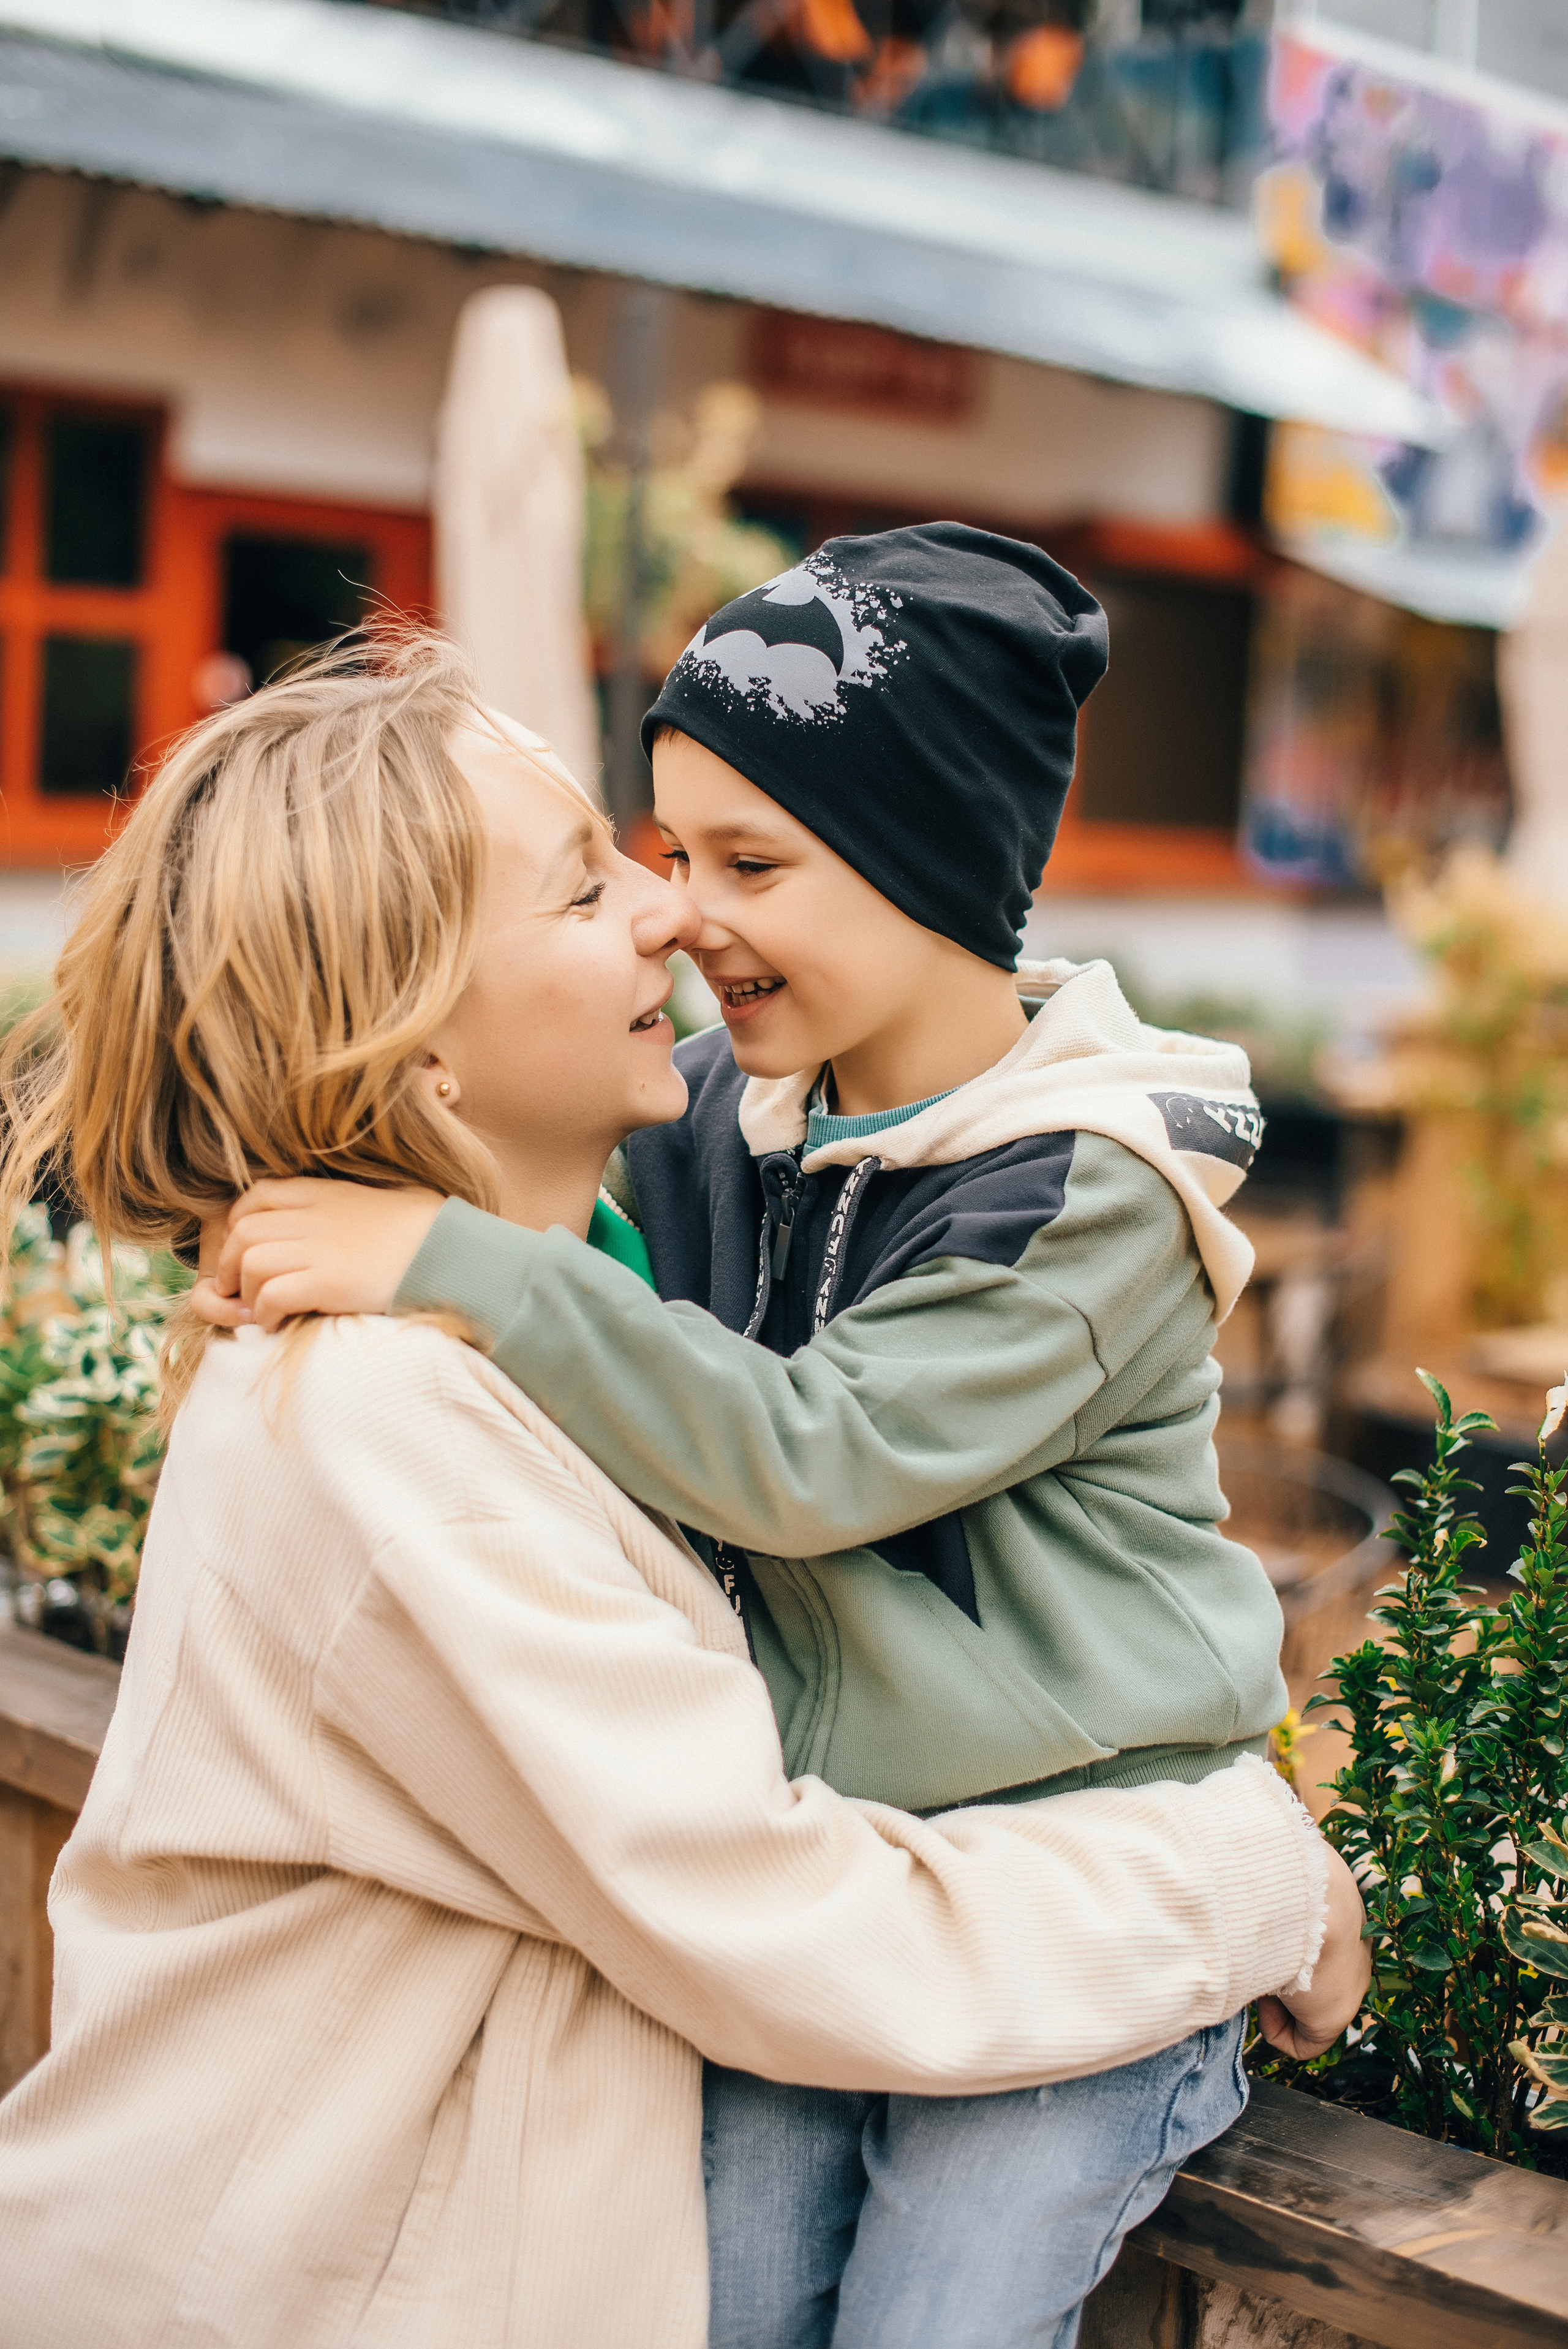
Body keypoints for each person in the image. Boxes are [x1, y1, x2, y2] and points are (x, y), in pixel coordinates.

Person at [0, 632, 1366, 2349]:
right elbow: (791, 1924)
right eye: (588, 892)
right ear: (424, 1055)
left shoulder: (563, 1303)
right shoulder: (385, 1426)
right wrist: (1256, 1877)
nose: (672, 916)